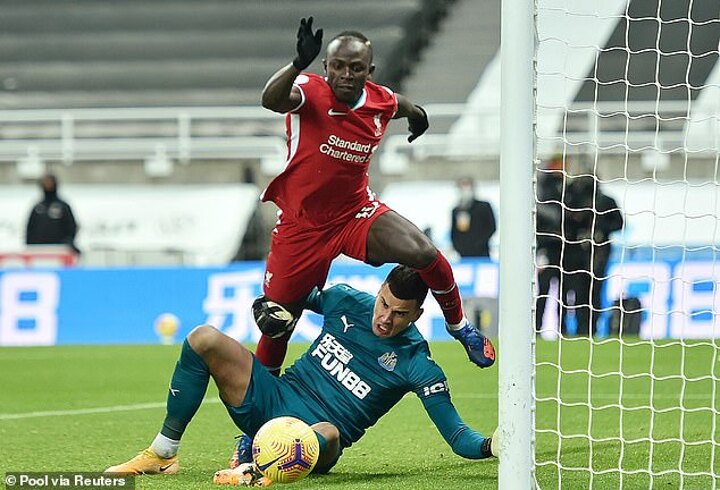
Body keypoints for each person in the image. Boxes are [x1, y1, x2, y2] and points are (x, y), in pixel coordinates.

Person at [252, 17, 494, 376]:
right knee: (278, 323)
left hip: (355, 213)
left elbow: (400, 104)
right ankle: (260, 407)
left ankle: (460, 327)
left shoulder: (379, 100)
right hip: (302, 225)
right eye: (337, 66)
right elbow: (271, 99)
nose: (345, 75)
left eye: (355, 68)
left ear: (370, 71)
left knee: (424, 253)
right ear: (325, 66)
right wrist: (297, 63)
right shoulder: (308, 90)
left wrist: (418, 116)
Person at [105, 266, 498, 485]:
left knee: (329, 431)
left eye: (399, 314)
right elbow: (288, 290)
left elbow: (458, 436)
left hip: (316, 441)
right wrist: (269, 306)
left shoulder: (417, 363)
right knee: (203, 338)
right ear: (379, 290)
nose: (384, 318)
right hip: (274, 399)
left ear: (417, 315)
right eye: (383, 304)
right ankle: (163, 453)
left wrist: (491, 446)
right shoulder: (346, 300)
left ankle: (255, 469)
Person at [563, 175, 623, 335]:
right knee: (580, 291)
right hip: (577, 253)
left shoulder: (606, 201)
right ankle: (581, 327)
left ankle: (591, 327)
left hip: (599, 253)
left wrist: (601, 230)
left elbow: (619, 223)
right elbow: (566, 222)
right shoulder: (575, 201)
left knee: (594, 291)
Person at [535, 156, 565, 332]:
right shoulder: (544, 187)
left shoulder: (566, 187)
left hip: (564, 249)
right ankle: (538, 327)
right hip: (546, 247)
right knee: (544, 290)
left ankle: (563, 328)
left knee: (564, 292)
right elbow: (542, 211)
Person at [25, 174, 80, 254]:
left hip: (60, 250)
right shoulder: (38, 208)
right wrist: (31, 246)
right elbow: (30, 229)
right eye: (45, 182)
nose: (47, 185)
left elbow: (71, 227)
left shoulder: (63, 206)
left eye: (50, 182)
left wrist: (68, 242)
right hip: (39, 251)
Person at [450, 177, 496, 258]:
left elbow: (491, 227)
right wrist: (459, 248)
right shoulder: (457, 210)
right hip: (464, 255)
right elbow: (454, 232)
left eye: (467, 185)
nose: (465, 189)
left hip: (482, 253)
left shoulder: (484, 207)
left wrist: (480, 243)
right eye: (462, 186)